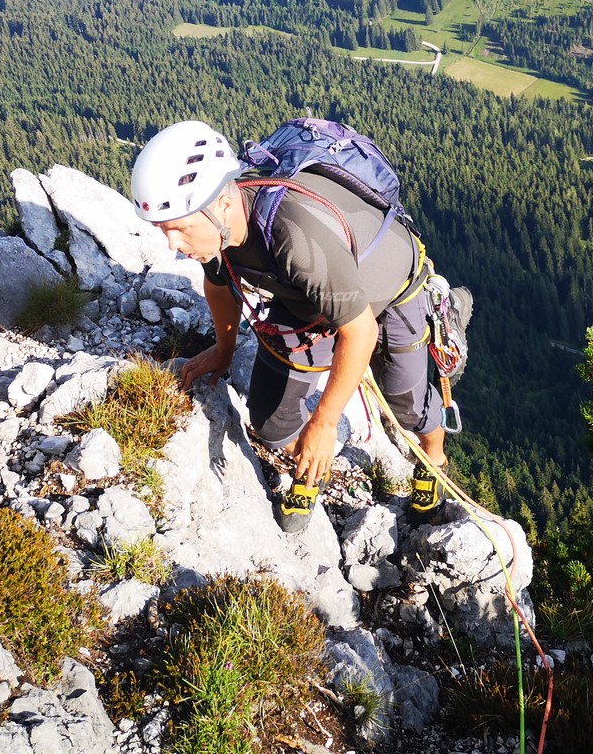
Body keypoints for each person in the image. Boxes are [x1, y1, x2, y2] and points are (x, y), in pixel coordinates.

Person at [129, 119, 448, 533]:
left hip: (389, 292)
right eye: (164, 231)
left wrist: (325, 423)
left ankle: (434, 458)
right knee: (270, 421)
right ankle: (313, 467)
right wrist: (222, 352)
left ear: (224, 202)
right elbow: (218, 284)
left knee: (407, 404)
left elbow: (362, 331)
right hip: (308, 301)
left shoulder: (292, 237)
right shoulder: (216, 231)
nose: (172, 244)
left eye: (180, 228)